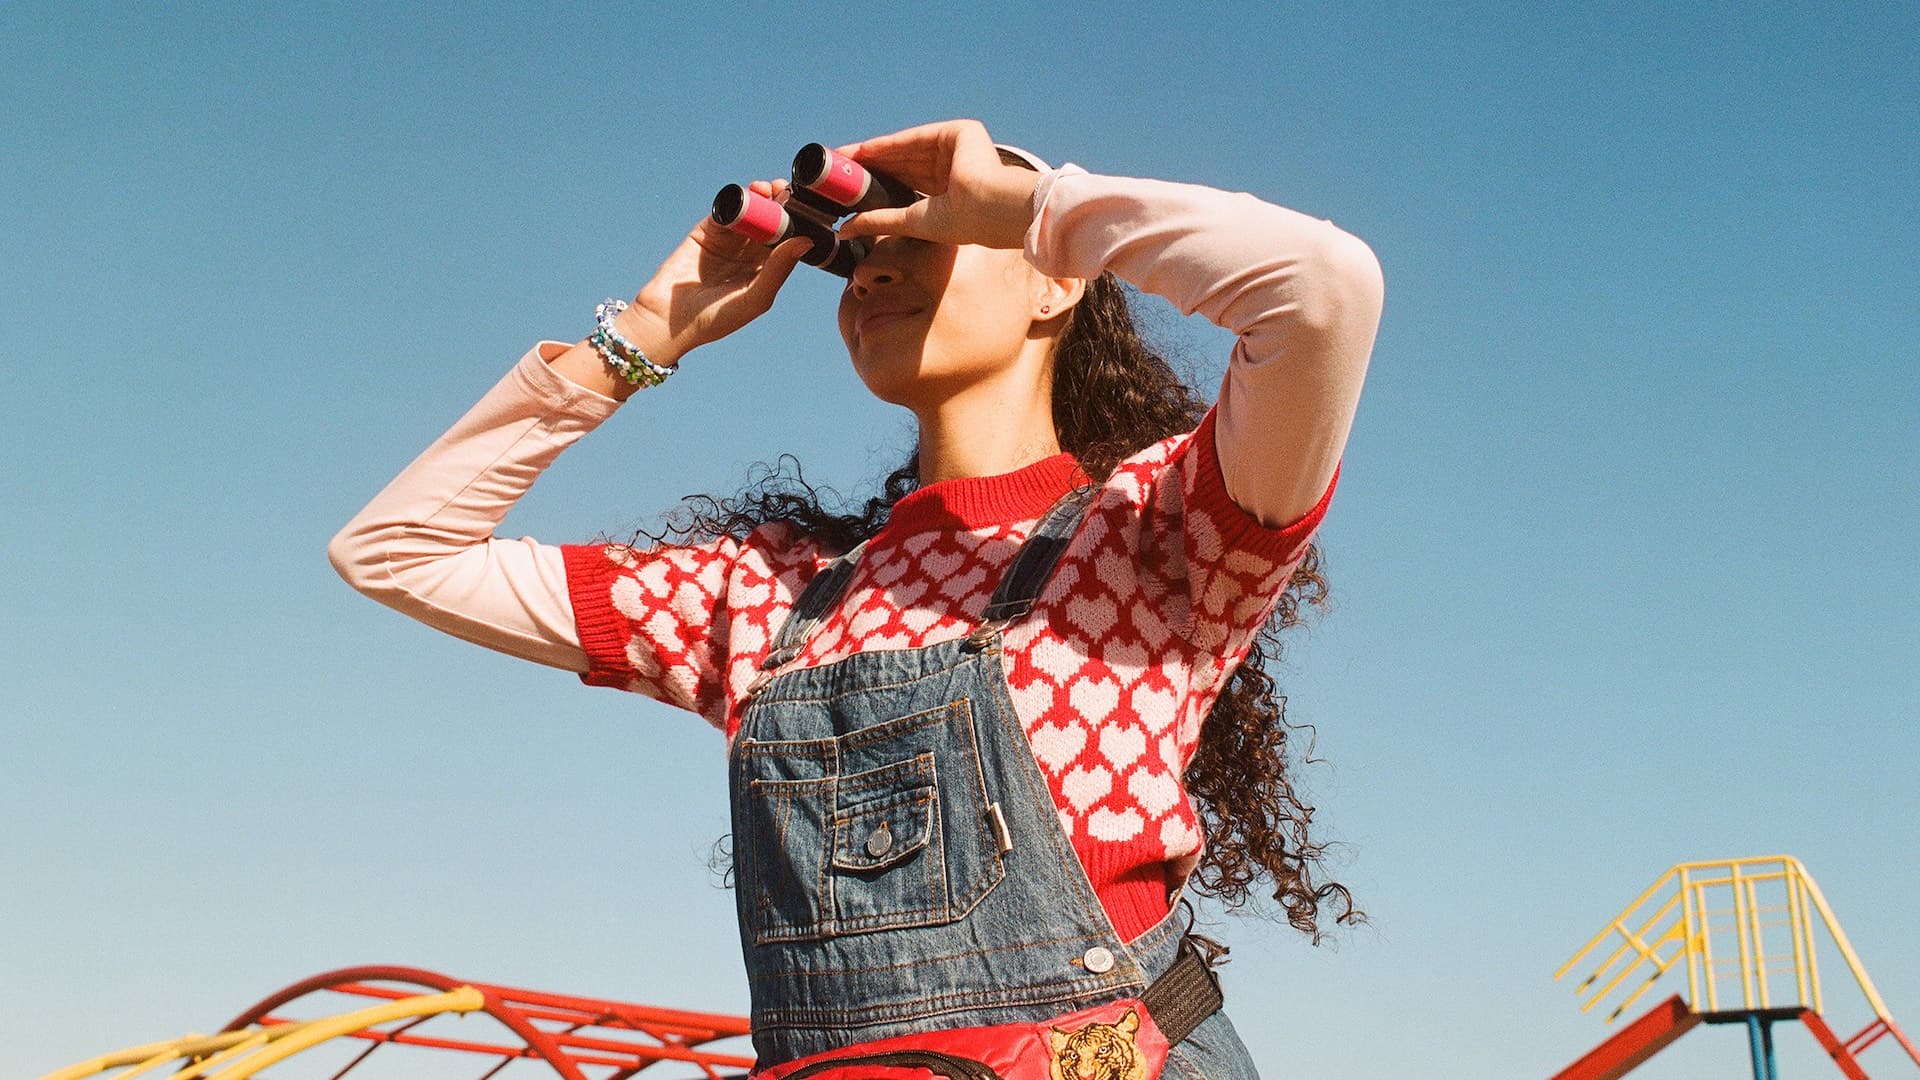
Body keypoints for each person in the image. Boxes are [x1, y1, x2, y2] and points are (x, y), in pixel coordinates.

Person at [330, 119, 1382, 1078]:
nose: (871, 270)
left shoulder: (1161, 532)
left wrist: (1038, 207)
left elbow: (1324, 288)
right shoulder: (770, 594)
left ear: (1053, 282)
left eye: (920, 240)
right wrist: (647, 333)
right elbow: (393, 549)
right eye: (855, 256)